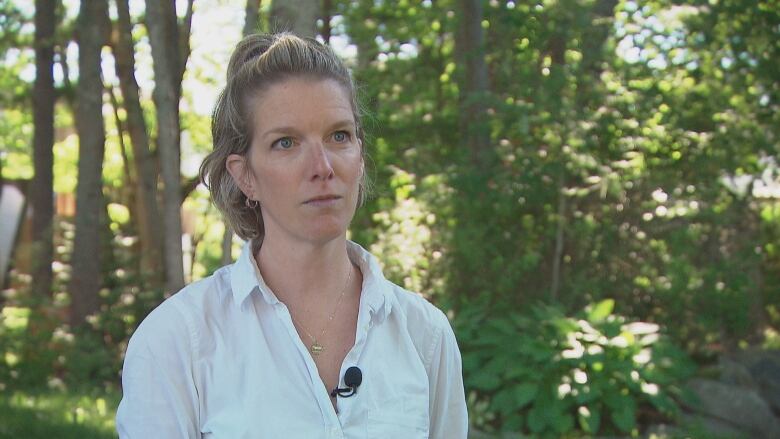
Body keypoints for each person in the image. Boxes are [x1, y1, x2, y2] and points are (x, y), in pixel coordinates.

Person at [115, 32, 468, 438]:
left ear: (360, 156)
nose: (322, 167)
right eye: (286, 142)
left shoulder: (424, 335)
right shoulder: (177, 342)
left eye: (339, 136)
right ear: (244, 175)